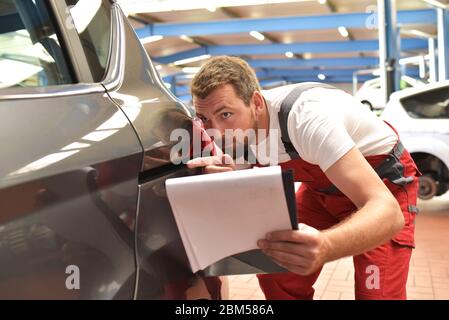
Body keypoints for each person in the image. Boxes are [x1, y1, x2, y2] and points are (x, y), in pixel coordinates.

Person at [185, 56, 420, 300]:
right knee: (276, 265)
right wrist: (214, 183)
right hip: (321, 191)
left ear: (256, 102)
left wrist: (326, 246)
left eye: (225, 114)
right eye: (205, 119)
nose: (217, 133)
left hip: (383, 187)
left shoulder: (305, 117)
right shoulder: (235, 135)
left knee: (376, 293)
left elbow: (389, 213)